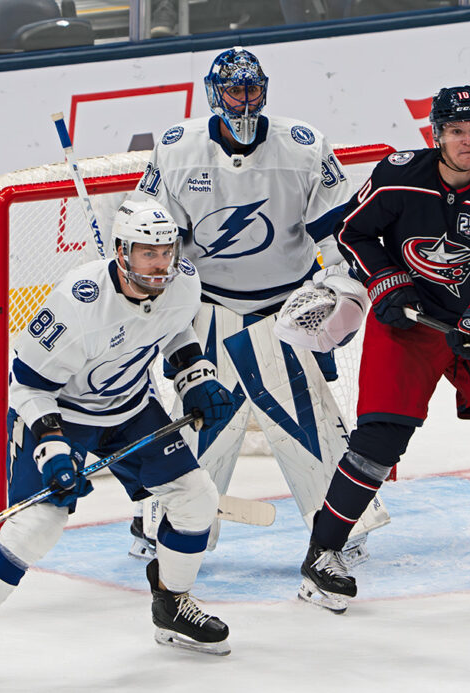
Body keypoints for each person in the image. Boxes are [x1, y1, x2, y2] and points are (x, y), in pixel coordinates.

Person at [0, 200, 237, 692]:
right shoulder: (78, 302)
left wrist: (196, 377)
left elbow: (173, 332)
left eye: (166, 250)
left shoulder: (184, 280)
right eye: (148, 252)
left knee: (197, 500)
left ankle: (171, 604)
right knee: (37, 525)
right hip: (58, 414)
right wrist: (54, 450)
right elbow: (26, 385)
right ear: (122, 252)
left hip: (129, 408)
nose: (161, 263)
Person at [297, 84, 470, 614]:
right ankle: (323, 553)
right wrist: (387, 281)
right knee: (377, 443)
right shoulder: (398, 174)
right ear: (436, 134)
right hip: (408, 326)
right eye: (457, 131)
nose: (469, 141)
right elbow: (352, 232)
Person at [127, 46, 388, 561]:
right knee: (201, 421)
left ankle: (340, 526)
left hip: (287, 311)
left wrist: (339, 285)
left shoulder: (304, 146)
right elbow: (158, 236)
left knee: (306, 419)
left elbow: (339, 233)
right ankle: (170, 524)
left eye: (252, 89)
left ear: (264, 90)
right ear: (213, 93)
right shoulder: (178, 149)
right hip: (210, 309)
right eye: (233, 90)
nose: (244, 101)